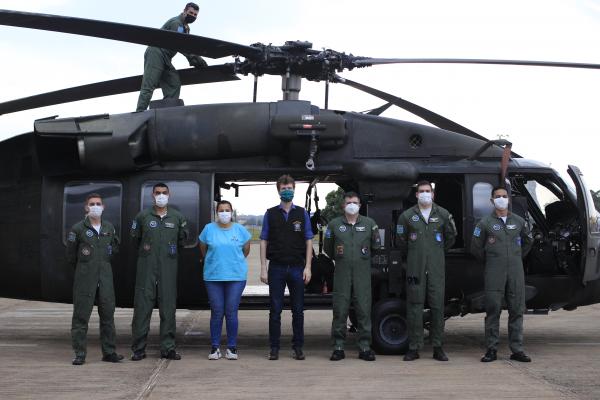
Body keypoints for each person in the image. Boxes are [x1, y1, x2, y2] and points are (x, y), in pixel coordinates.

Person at [471, 186, 533, 363]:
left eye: (504, 196)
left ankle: (517, 349)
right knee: (493, 309)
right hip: (494, 271)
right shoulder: (484, 223)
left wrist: (515, 256)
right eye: (497, 196)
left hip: (515, 271)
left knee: (517, 309)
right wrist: (492, 258)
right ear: (492, 201)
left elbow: (528, 242)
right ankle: (491, 349)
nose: (501, 199)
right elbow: (475, 247)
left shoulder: (519, 222)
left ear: (508, 199)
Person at [396, 180, 457, 361]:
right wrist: (416, 255)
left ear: (433, 194)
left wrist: (435, 252)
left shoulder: (443, 215)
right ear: (416, 195)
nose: (424, 194)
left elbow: (450, 238)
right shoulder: (407, 217)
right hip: (415, 269)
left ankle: (437, 347)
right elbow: (401, 242)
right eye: (421, 191)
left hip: (436, 269)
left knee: (438, 307)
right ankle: (414, 347)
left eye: (427, 191)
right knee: (414, 307)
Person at [130, 183, 188, 361]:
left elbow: (181, 241)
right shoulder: (143, 216)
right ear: (152, 195)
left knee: (168, 308)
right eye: (157, 193)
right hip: (146, 267)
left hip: (168, 268)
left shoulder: (177, 217)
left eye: (164, 193)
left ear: (169, 195)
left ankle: (168, 348)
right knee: (142, 307)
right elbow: (135, 239)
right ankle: (138, 349)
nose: (161, 195)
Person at [260, 174, 313, 360]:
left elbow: (308, 240)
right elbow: (264, 241)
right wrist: (263, 268)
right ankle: (274, 348)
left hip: (298, 268)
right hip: (276, 268)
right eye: (283, 188)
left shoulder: (302, 213)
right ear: (278, 190)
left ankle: (298, 347)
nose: (287, 191)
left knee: (298, 310)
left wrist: (308, 267)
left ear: (294, 189)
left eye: (289, 187)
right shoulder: (270, 213)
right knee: (275, 310)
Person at [66, 193, 123, 365]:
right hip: (85, 280)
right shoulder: (78, 229)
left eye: (98, 203)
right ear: (86, 207)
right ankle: (80, 354)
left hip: (105, 278)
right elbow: (71, 256)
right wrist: (85, 270)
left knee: (107, 317)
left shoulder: (109, 228)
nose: (95, 206)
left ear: (103, 207)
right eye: (92, 204)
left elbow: (114, 248)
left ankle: (109, 352)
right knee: (81, 317)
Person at [324, 192, 381, 362]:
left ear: (360, 205)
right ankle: (338, 347)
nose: (352, 204)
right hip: (342, 273)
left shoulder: (369, 224)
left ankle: (364, 347)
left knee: (364, 310)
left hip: (362, 273)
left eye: (355, 202)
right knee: (340, 310)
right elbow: (329, 248)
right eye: (349, 202)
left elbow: (375, 246)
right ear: (343, 205)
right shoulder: (334, 225)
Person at [199, 200, 251, 360]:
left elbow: (246, 250)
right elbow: (203, 248)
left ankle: (232, 348)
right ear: (216, 213)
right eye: (221, 210)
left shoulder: (240, 230)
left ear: (232, 212)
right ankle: (215, 347)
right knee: (217, 311)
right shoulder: (209, 229)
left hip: (235, 277)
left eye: (227, 210)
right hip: (213, 277)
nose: (224, 213)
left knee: (231, 311)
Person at [135, 2, 208, 112]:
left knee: (173, 83)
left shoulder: (185, 28)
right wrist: (197, 60)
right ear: (184, 11)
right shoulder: (176, 23)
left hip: (166, 58)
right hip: (156, 53)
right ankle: (139, 112)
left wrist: (195, 59)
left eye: (195, 15)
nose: (193, 16)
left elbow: (187, 45)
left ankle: (166, 112)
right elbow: (181, 45)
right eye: (191, 13)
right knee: (149, 85)